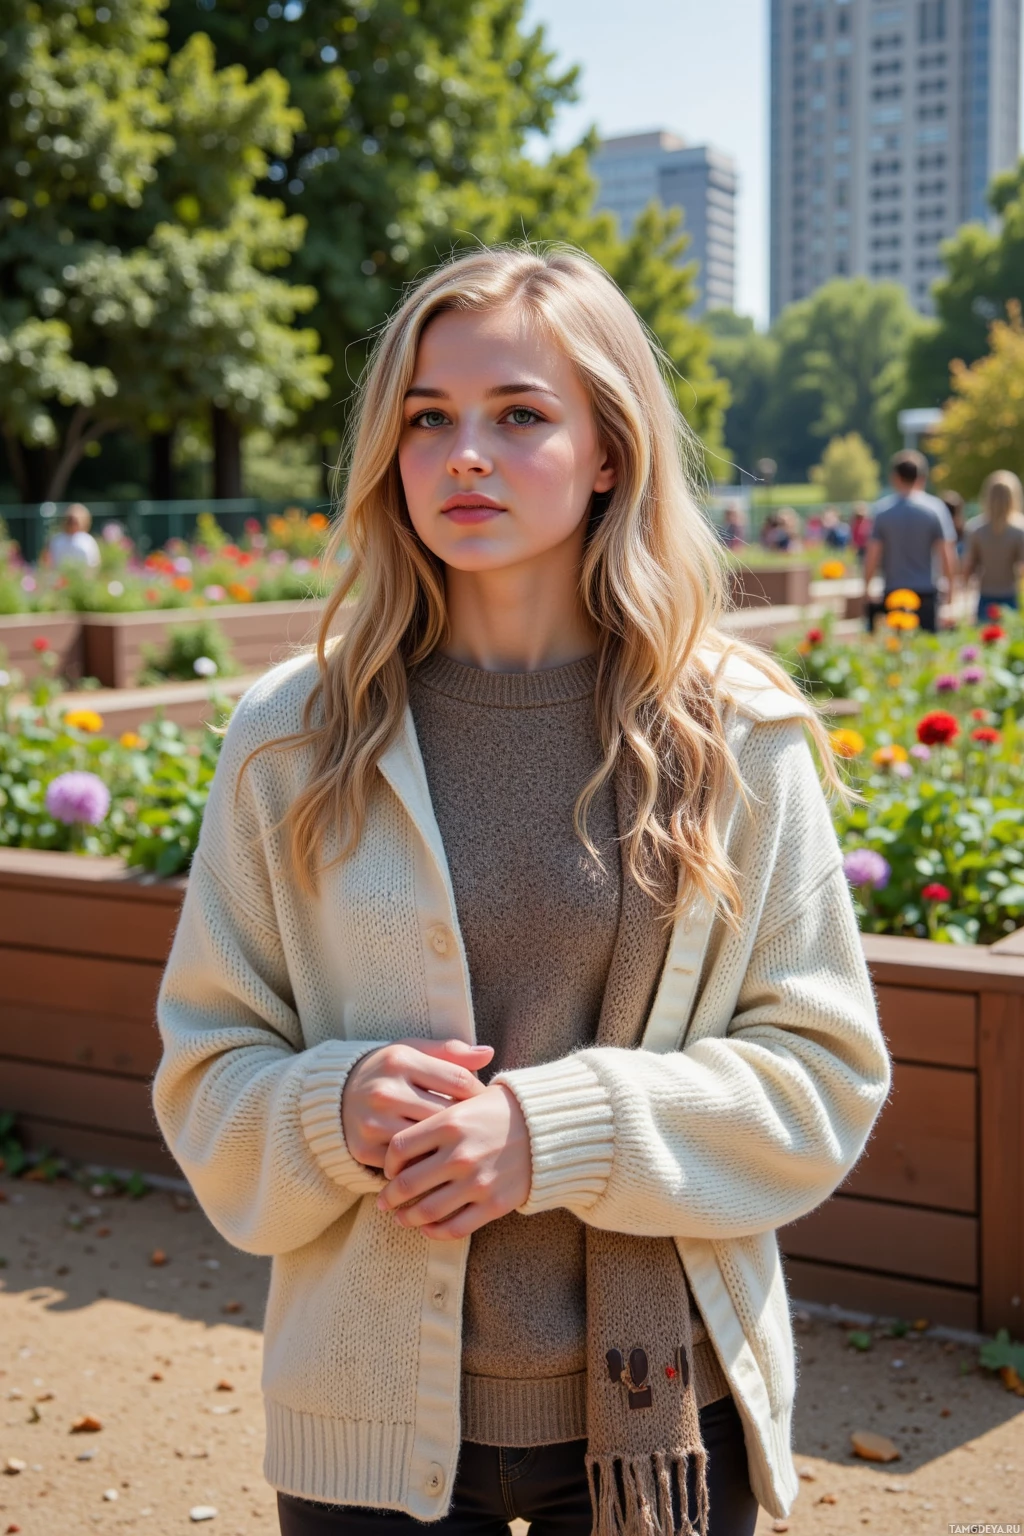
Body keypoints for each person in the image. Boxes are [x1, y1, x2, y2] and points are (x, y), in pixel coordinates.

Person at [153, 246, 889, 1536]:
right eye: (427, 418)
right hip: (364, 1429)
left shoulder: (736, 736)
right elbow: (206, 1077)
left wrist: (554, 1134)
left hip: (664, 1428)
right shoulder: (292, 739)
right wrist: (333, 1104)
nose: (465, 454)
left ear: (610, 449)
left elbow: (824, 1076)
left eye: (520, 414)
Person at [863, 449, 957, 633]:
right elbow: (947, 554)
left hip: (893, 591)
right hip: (926, 591)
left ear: (894, 477)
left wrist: (866, 588)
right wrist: (951, 593)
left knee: (895, 651)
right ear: (921, 477)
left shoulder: (882, 512)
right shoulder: (935, 509)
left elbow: (872, 555)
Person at [962, 470, 1024, 623]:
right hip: (1011, 596)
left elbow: (968, 567)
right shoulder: (1020, 529)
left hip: (985, 596)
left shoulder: (975, 528)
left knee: (984, 643)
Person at [47, 503, 101, 568]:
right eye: (70, 521)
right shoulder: (56, 540)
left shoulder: (88, 541)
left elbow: (94, 564)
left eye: (74, 522)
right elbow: (48, 563)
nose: (72, 524)